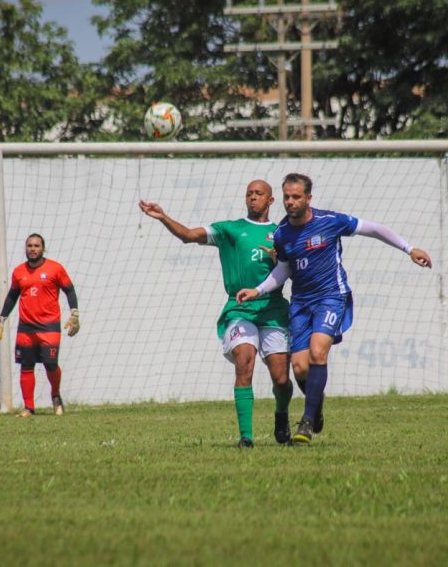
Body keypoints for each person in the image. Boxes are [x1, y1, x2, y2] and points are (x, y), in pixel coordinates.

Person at [237, 173, 432, 444]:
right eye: (287, 197)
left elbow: (373, 228)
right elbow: (283, 269)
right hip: (301, 303)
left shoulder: (330, 222)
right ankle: (316, 406)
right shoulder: (281, 233)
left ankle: (306, 422)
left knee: (318, 351)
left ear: (308, 198)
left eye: (296, 197)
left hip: (331, 297)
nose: (290, 202)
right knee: (300, 367)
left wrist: (409, 248)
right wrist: (257, 290)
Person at [139, 180, 294, 448]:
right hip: (240, 308)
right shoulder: (230, 229)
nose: (252, 197)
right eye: (249, 193)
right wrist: (163, 217)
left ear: (271, 201)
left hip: (274, 309)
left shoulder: (282, 233)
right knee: (244, 360)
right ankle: (246, 437)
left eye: (259, 194)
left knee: (281, 379)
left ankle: (281, 415)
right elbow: (188, 235)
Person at [0, 233, 80, 417]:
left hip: (49, 326)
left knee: (50, 363)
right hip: (26, 327)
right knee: (26, 365)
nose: (32, 249)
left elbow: (69, 289)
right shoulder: (18, 272)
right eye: (29, 246)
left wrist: (74, 313)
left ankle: (56, 397)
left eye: (36, 246)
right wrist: (1, 320)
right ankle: (28, 408)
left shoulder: (55, 269)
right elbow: (12, 297)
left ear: (43, 248)